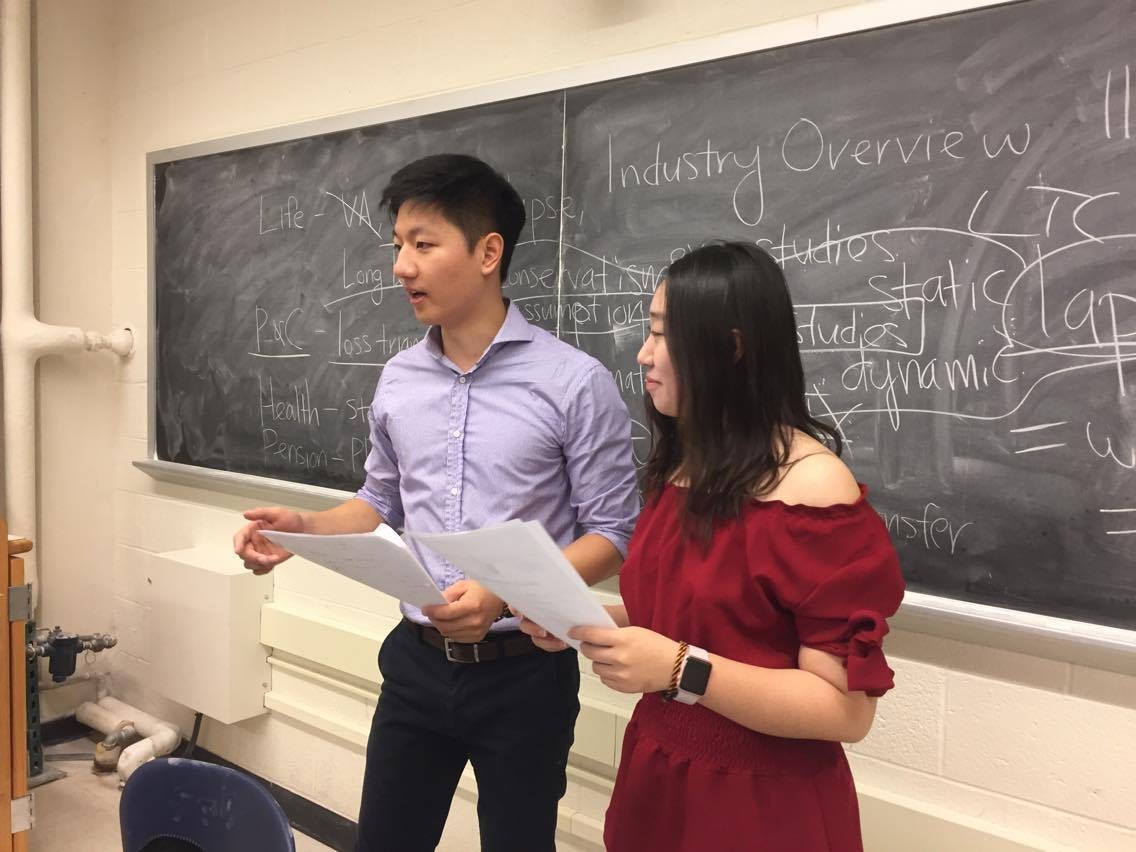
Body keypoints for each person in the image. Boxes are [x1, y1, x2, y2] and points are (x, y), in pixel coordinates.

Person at [232, 153, 640, 852]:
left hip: (525, 674)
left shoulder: (575, 382)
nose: (402, 267)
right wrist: (307, 529)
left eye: (423, 244)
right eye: (398, 247)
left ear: (488, 252)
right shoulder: (397, 379)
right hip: (415, 665)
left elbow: (612, 532)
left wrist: (504, 597)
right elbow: (378, 501)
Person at [521, 242, 905, 852]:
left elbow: (845, 712)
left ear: (730, 349)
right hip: (659, 772)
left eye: (660, 335)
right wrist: (584, 620)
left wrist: (680, 669)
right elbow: (699, 618)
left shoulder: (814, 488)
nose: (643, 355)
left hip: (759, 804)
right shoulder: (683, 468)